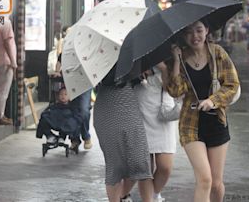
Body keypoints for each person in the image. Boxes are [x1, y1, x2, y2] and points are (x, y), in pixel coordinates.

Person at [166, 20, 239, 202]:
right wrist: (176, 61)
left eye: (199, 30)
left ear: (207, 30)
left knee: (215, 183)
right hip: (191, 124)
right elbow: (175, 91)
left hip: (217, 122)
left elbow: (232, 85)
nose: (195, 36)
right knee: (204, 179)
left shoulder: (217, 53)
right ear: (183, 36)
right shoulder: (181, 58)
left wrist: (212, 101)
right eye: (189, 32)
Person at [94, 65, 154, 202]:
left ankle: (124, 196)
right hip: (107, 106)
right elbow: (109, 80)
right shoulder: (97, 59)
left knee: (140, 162)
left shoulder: (131, 52)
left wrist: (140, 71)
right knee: (115, 166)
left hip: (128, 104)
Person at [133, 64, 178, 202]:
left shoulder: (172, 49)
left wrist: (164, 68)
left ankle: (155, 193)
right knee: (145, 168)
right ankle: (148, 199)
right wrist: (138, 70)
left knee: (165, 167)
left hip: (163, 105)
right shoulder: (138, 47)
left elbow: (173, 87)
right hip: (141, 99)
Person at [0, 17, 17, 125]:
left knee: (1, 89)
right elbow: (7, 43)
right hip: (5, 60)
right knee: (3, 90)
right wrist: (13, 61)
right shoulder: (6, 22)